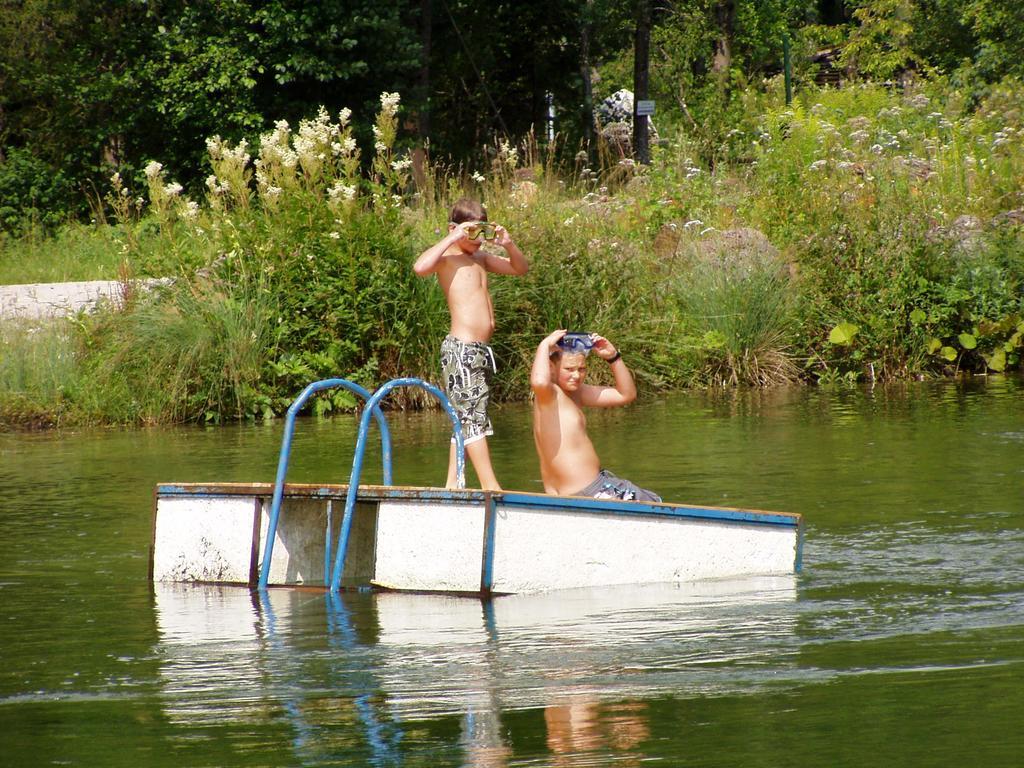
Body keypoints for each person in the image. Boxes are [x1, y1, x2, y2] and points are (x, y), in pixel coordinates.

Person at [413, 198, 529, 490]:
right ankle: (491, 486)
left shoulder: (480, 259)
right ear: (455, 229)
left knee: (467, 416)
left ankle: (453, 483)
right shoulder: (447, 257)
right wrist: (452, 236)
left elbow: (520, 269)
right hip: (461, 350)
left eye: (484, 233)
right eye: (472, 232)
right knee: (473, 417)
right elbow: (420, 267)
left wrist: (508, 244)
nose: (479, 240)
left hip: (479, 352)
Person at [530, 329, 661, 502]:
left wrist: (613, 358)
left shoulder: (577, 393)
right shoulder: (549, 396)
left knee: (651, 498)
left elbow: (626, 394)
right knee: (654, 503)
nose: (576, 375)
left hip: (590, 488)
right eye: (569, 369)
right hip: (590, 490)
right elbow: (539, 381)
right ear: (551, 368)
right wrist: (544, 345)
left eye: (581, 369)